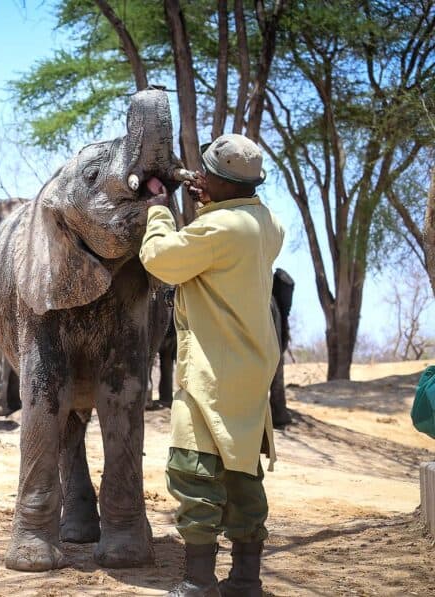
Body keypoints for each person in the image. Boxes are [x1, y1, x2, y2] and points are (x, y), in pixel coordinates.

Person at [139, 134, 284, 597]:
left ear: (223, 183)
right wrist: (212, 201)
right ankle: (245, 581)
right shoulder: (267, 225)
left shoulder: (221, 230)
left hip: (211, 373)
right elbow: (224, 245)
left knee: (194, 472)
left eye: (208, 175)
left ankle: (199, 581)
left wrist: (159, 208)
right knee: (243, 475)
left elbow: (161, 259)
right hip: (251, 371)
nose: (200, 179)